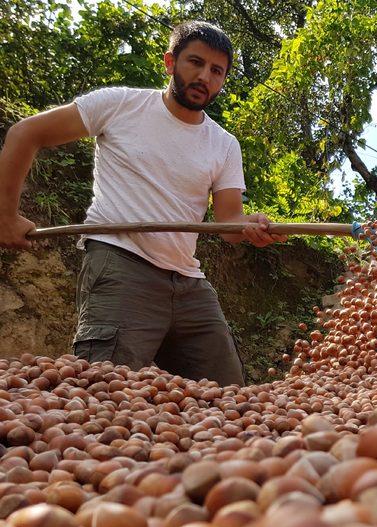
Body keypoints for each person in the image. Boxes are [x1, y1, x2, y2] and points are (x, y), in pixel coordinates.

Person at [0, 21, 285, 386]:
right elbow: (26, 133)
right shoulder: (120, 105)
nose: (204, 77)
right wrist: (6, 215)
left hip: (188, 281)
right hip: (120, 261)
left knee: (229, 394)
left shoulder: (224, 144)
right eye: (194, 63)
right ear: (170, 62)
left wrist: (251, 227)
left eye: (216, 71)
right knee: (103, 390)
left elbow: (229, 223)